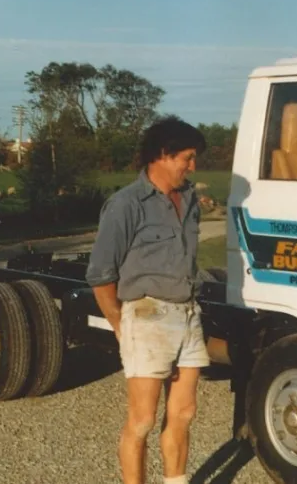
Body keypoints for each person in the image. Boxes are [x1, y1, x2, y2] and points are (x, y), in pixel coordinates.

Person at [85, 116, 209, 484]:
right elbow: (100, 274)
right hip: (146, 315)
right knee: (142, 420)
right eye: (187, 157)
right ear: (162, 154)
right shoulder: (126, 205)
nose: (193, 165)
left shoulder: (189, 200)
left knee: (184, 414)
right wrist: (122, 326)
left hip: (188, 315)